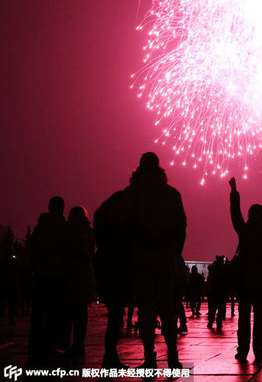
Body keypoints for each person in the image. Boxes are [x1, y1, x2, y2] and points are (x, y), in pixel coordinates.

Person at [120, 152, 187, 370]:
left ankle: (149, 358)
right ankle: (172, 357)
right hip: (165, 259)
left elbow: (123, 228)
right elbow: (181, 228)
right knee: (167, 309)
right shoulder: (171, 194)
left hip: (140, 259)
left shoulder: (131, 194)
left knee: (146, 311)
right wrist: (175, 255)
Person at [228, 177, 262, 362]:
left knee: (244, 317)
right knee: (261, 317)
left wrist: (234, 191)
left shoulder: (245, 230)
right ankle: (259, 350)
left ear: (249, 215)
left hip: (245, 280)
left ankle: (242, 350)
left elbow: (234, 213)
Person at [28, 196, 69, 366]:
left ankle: (34, 348)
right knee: (54, 314)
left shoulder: (40, 227)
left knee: (37, 313)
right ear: (62, 208)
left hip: (40, 276)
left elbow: (32, 249)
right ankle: (49, 346)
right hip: (57, 276)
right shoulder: (63, 228)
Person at [94, 191, 133, 369]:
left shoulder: (104, 226)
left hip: (107, 270)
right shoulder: (117, 234)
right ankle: (110, 357)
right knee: (116, 317)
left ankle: (110, 356)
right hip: (115, 272)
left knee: (115, 316)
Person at [61, 206, 96, 357]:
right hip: (83, 276)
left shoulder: (67, 232)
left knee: (68, 314)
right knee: (80, 314)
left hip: (69, 275)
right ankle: (78, 344)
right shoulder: (89, 232)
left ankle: (65, 343)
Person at [207, 256, 229, 330]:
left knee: (212, 309)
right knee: (220, 309)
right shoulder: (224, 271)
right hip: (221, 292)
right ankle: (219, 322)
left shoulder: (213, 270)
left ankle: (211, 322)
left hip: (214, 291)